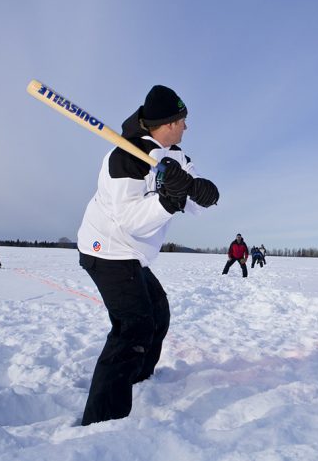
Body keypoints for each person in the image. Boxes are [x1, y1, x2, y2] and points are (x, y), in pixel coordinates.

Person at [76, 84, 219, 426]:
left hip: (134, 255)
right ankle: (103, 420)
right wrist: (169, 200)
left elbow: (193, 200)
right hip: (108, 248)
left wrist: (202, 194)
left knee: (158, 312)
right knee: (134, 326)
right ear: (168, 123)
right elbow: (130, 221)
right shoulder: (123, 157)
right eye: (182, 120)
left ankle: (139, 379)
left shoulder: (176, 157)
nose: (186, 127)